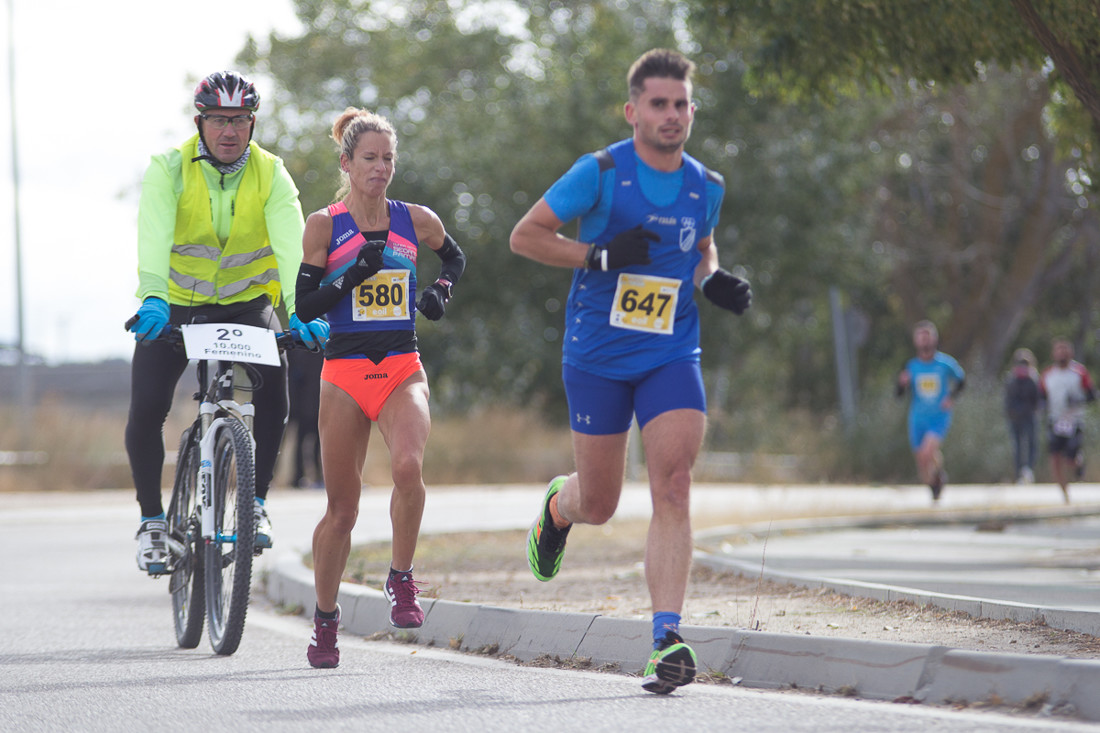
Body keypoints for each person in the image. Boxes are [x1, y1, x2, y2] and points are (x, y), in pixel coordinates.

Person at [509, 49, 752, 695]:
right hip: (597, 356)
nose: (672, 115)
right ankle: (559, 510)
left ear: (692, 111)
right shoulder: (601, 173)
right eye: (659, 104)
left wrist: (712, 278)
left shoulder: (709, 185)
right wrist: (598, 253)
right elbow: (526, 235)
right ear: (633, 110)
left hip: (672, 351)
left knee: (673, 483)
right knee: (602, 501)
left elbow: (699, 244)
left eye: (681, 105)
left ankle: (665, 638)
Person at [126, 71, 329, 575]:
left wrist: (301, 309)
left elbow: (291, 247)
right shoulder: (169, 169)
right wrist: (152, 296)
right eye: (218, 120)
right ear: (200, 122)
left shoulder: (272, 174)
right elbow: (152, 237)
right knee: (147, 407)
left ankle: (255, 504)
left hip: (245, 303)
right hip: (174, 303)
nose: (229, 131)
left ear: (252, 122)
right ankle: (152, 522)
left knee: (276, 392)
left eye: (239, 120)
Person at [295, 107, 466, 668]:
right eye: (369, 158)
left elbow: (455, 256)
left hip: (400, 365)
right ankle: (325, 620)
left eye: (388, 158)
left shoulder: (414, 220)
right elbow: (306, 305)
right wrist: (352, 274)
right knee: (342, 510)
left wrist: (439, 289)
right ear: (346, 163)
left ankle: (401, 577)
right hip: (343, 373)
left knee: (408, 469)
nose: (380, 167)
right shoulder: (324, 224)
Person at [895, 320, 965, 501]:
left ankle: (936, 481)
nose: (924, 340)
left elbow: (961, 380)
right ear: (915, 340)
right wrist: (901, 384)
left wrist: (951, 397)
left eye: (927, 336)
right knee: (922, 459)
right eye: (921, 336)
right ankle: (936, 479)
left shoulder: (945, 363)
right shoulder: (911, 366)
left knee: (928, 451)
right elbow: (899, 394)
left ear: (934, 339)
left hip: (938, 416)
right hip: (918, 417)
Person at [1039, 339, 1096, 502]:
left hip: (1074, 420)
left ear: (1070, 353)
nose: (1062, 354)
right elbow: (1041, 396)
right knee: (1055, 458)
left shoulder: (1079, 372)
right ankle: (1064, 494)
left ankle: (1078, 464)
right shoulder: (1047, 373)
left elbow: (1091, 395)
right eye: (1059, 351)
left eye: (1065, 351)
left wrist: (1078, 400)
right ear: (1053, 354)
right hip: (1055, 420)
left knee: (1070, 458)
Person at [287, 347, 324, 489]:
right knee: (307, 443)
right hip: (307, 407)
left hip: (312, 405)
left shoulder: (300, 349)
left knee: (316, 444)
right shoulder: (300, 351)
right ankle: (299, 477)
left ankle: (317, 477)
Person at [1004, 348, 1040, 484]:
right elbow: (1007, 399)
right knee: (1018, 446)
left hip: (1029, 416)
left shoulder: (1034, 379)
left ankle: (1028, 470)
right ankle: (1020, 473)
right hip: (1015, 417)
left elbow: (1037, 398)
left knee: (1031, 445)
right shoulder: (1011, 379)